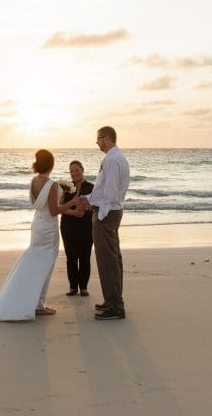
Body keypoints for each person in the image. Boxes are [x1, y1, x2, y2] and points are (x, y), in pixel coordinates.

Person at [0, 149, 81, 321]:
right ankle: (38, 304)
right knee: (45, 265)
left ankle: (30, 301)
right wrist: (72, 202)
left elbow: (41, 205)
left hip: (38, 225)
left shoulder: (34, 181)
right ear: (51, 165)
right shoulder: (52, 185)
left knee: (34, 259)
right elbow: (54, 211)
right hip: (48, 229)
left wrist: (62, 201)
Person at [82, 126, 130, 320]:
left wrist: (89, 203)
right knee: (113, 258)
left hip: (106, 214)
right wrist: (89, 198)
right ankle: (113, 300)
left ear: (107, 138)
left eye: (99, 138)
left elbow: (109, 195)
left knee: (107, 261)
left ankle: (115, 306)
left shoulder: (112, 160)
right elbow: (105, 191)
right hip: (112, 211)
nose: (96, 142)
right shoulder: (118, 158)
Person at [60, 160, 94, 297]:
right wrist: (73, 209)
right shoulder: (66, 188)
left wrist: (86, 206)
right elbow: (59, 207)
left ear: (82, 170)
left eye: (77, 170)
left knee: (85, 256)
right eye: (72, 171)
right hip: (68, 226)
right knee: (71, 257)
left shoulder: (92, 187)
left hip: (86, 226)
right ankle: (73, 287)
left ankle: (84, 287)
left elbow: (96, 207)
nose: (74, 173)